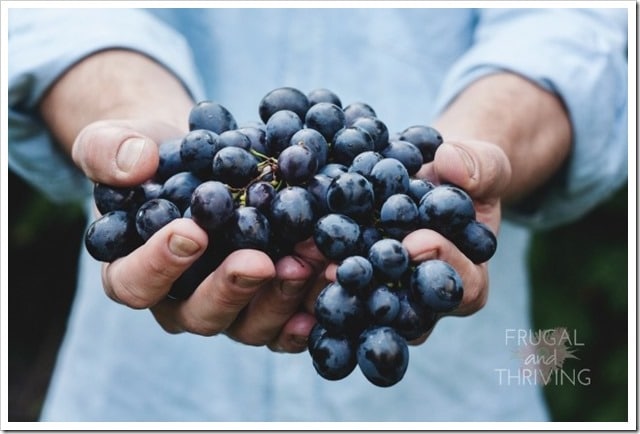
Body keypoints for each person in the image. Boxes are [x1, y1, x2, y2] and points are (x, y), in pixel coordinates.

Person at [8, 6, 628, 423]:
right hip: (142, 403)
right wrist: (132, 123)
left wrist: (476, 147)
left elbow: (572, 26)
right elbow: (63, 14)